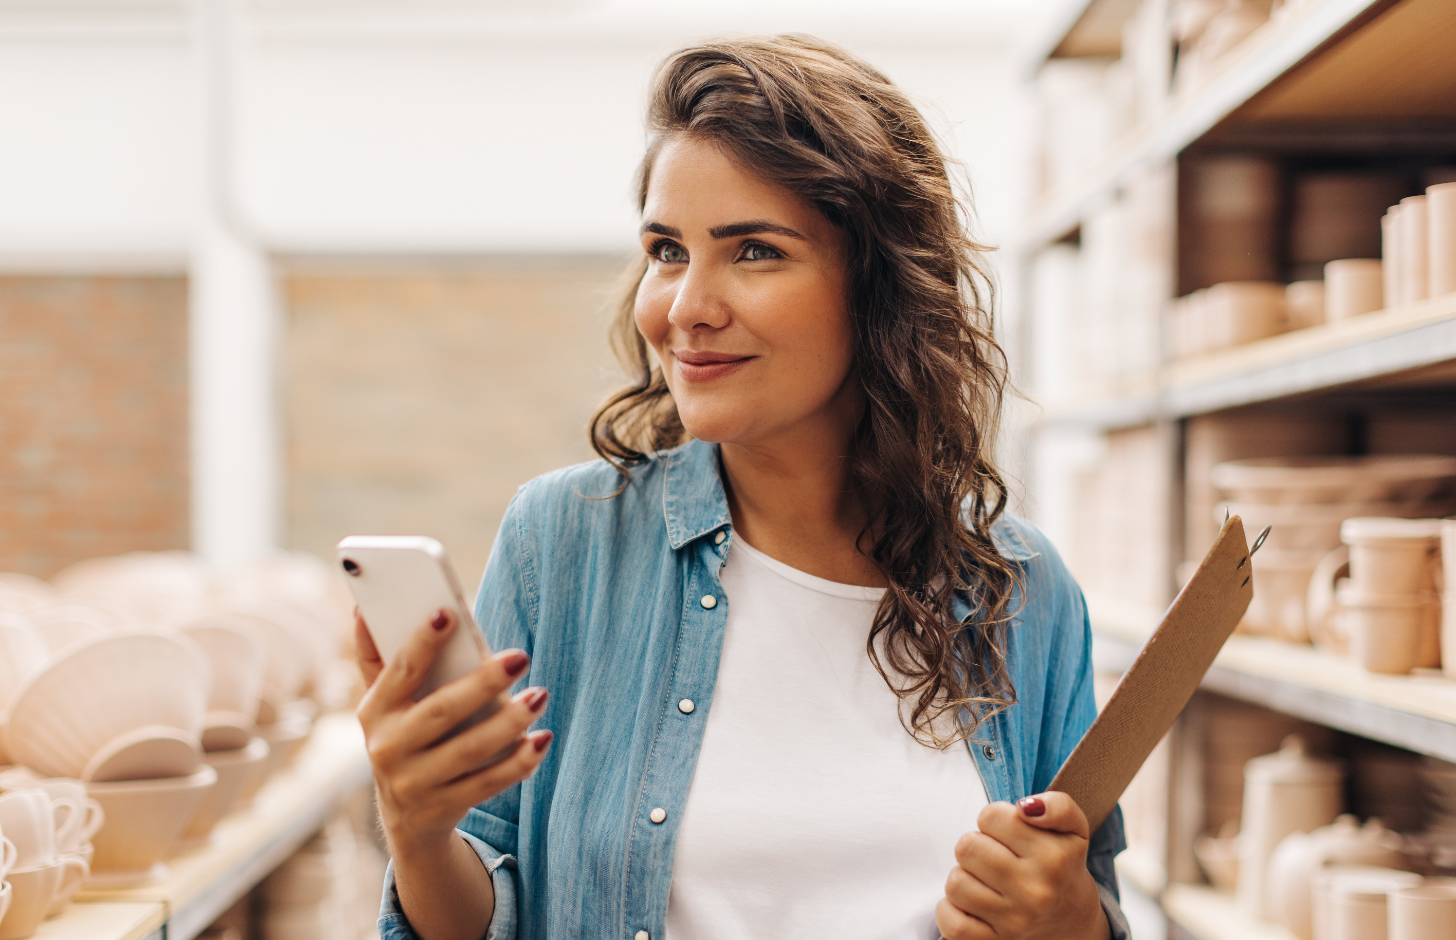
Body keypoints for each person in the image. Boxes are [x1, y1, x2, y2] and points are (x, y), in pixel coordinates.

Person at [356, 34, 1128, 940]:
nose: (685, 307)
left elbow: (1085, 900)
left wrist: (1077, 924)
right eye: (666, 249)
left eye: (753, 250)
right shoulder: (562, 544)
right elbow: (487, 910)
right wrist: (417, 831)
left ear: (881, 286)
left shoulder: (1026, 596)